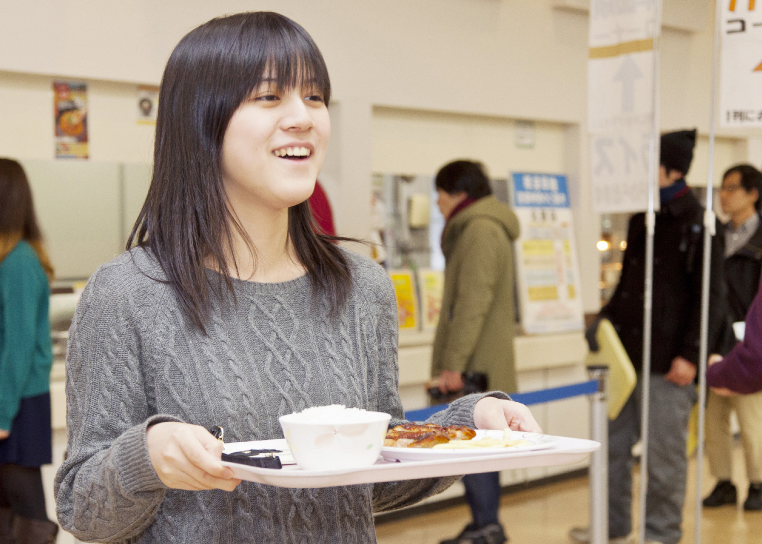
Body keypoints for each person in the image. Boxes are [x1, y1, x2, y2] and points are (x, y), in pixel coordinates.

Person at [53, 12, 540, 544]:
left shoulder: (360, 287)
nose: (303, 118)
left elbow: (368, 478)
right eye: (268, 97)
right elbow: (83, 508)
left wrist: (474, 422)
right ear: (201, 119)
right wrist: (145, 457)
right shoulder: (129, 294)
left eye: (314, 97)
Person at [572, 129, 726, 544]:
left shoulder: (701, 224)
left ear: (672, 168)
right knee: (612, 450)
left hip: (671, 364)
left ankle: (661, 533)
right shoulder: (643, 219)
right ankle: (611, 525)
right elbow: (629, 285)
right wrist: (603, 320)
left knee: (664, 459)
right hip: (625, 359)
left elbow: (710, 297)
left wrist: (692, 354)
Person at [429, 160, 520, 544]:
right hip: (477, 359)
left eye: (441, 194)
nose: (437, 203)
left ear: (459, 194)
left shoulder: (480, 230)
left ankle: (488, 525)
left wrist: (453, 365)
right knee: (476, 446)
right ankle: (483, 521)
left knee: (479, 446)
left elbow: (472, 304)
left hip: (476, 365)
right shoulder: (479, 226)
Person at [0, 158, 58, 543]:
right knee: (3, 507)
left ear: (2, 198)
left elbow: (19, 347)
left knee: (29, 515)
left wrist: (3, 414)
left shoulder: (19, 262)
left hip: (15, 403)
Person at [703, 164, 762, 511]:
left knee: (752, 417)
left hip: (750, 342)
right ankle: (723, 480)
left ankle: (758, 482)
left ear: (752, 193)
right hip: (715, 340)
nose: (724, 196)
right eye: (721, 189)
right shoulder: (714, 238)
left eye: (731, 188)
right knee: (715, 421)